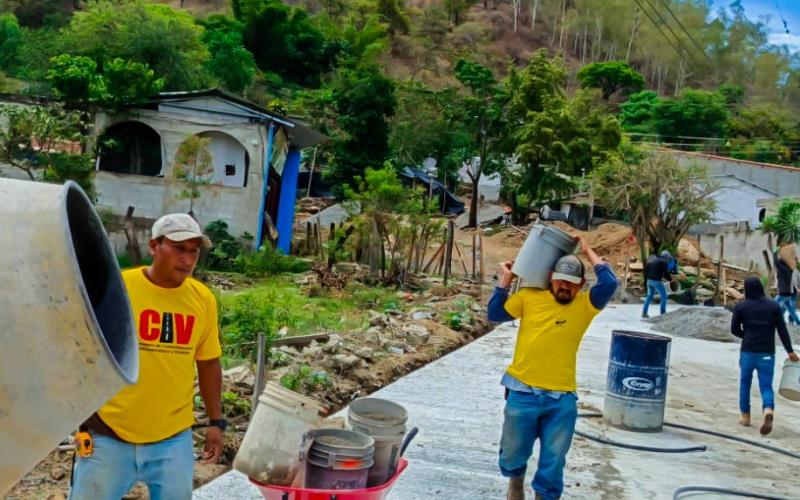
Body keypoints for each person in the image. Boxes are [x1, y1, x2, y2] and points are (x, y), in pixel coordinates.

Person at [70, 214, 225, 500]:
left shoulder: (202, 299)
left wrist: (216, 423)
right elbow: (83, 349)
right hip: (109, 434)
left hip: (172, 438)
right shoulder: (119, 287)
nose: (187, 259)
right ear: (154, 246)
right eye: (179, 248)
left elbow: (208, 362)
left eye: (194, 251)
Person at [487, 237, 617, 500]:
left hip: (561, 397)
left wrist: (588, 249)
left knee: (554, 459)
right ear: (550, 277)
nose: (565, 286)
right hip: (522, 390)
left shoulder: (585, 305)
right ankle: (515, 482)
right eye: (560, 280)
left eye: (571, 283)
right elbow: (495, 314)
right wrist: (506, 280)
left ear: (581, 284)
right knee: (512, 451)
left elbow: (610, 283)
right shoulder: (529, 297)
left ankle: (543, 496)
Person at [731, 277, 798, 436]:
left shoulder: (741, 306)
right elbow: (782, 330)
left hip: (748, 351)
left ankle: (745, 416)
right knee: (766, 386)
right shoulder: (773, 306)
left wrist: (746, 336)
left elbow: (734, 330)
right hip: (767, 353)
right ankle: (768, 409)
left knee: (745, 383)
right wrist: (790, 351)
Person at [774, 244, 800, 325]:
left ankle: (770, 320)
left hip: (785, 292)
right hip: (788, 292)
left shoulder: (784, 270)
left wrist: (775, 253)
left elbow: (776, 262)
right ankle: (798, 323)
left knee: (773, 305)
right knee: (791, 309)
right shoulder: (789, 270)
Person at [641, 250, 673, 319]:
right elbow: (666, 273)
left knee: (649, 296)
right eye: (668, 258)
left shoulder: (655, 260)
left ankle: (644, 312)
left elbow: (652, 270)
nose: (668, 260)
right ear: (666, 257)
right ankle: (663, 313)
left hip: (649, 281)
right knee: (664, 295)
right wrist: (671, 280)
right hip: (656, 281)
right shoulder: (663, 262)